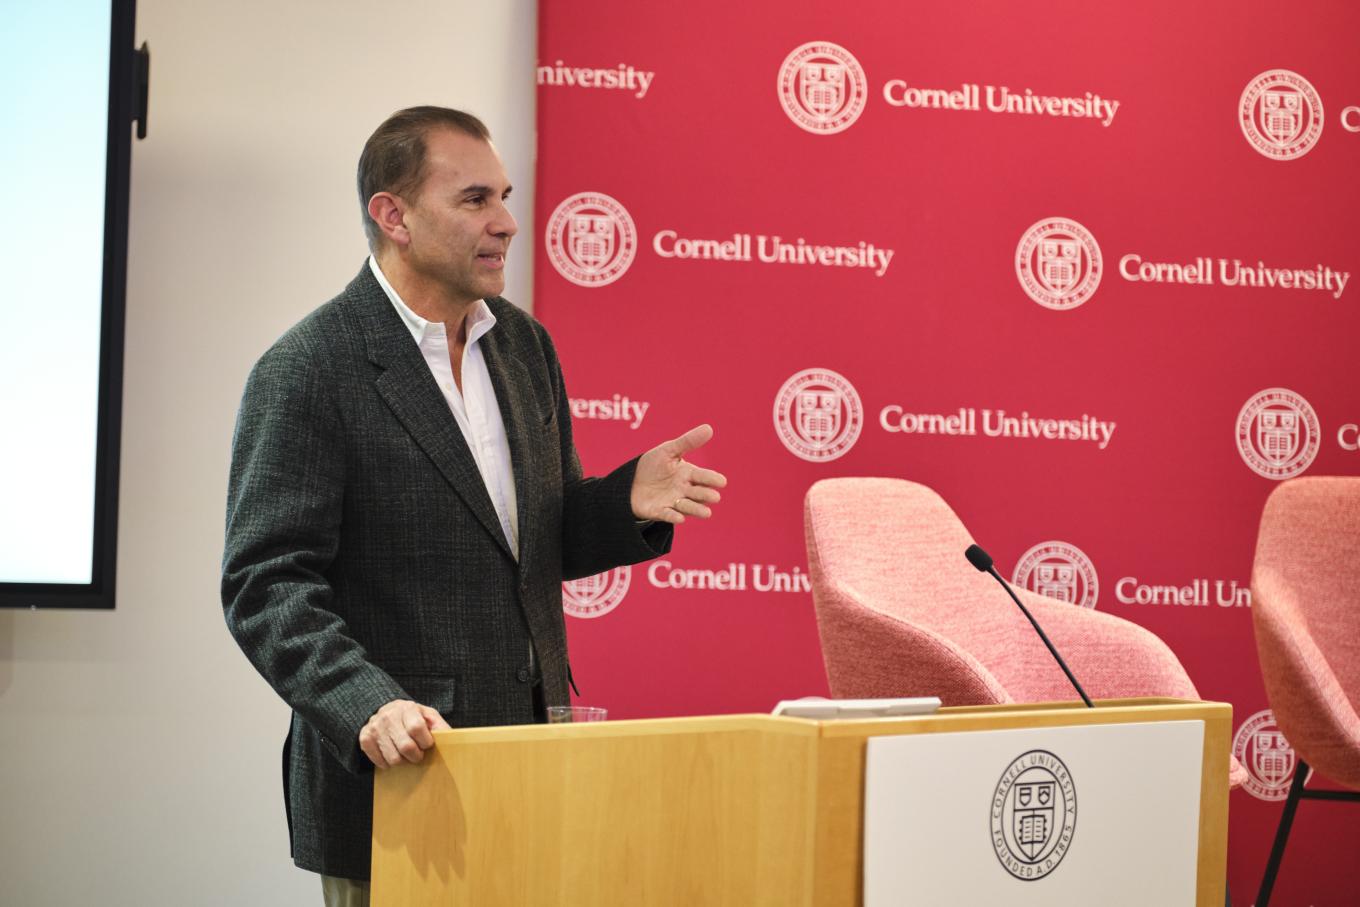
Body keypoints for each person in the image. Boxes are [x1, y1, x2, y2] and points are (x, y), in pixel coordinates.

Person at [221, 106, 725, 904]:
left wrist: (622, 500)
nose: (509, 223)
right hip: (401, 787)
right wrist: (368, 704)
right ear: (394, 216)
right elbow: (267, 586)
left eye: (508, 196)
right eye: (476, 200)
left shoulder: (523, 346)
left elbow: (532, 540)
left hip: (534, 767)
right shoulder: (309, 367)